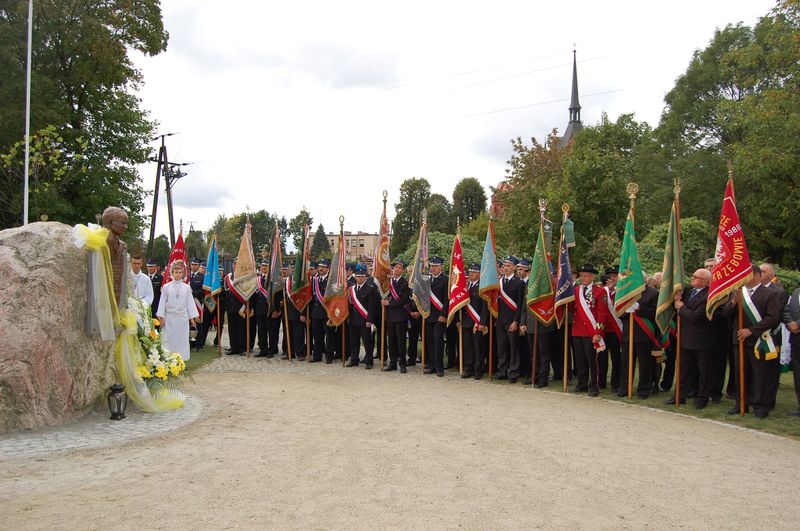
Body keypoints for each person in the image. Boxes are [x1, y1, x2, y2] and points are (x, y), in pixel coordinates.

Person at [722, 265, 783, 418]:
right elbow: (726, 314)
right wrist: (733, 302)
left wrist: (751, 330)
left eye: (746, 275)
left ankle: (761, 406)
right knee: (740, 373)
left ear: (756, 276)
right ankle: (741, 403)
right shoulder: (738, 292)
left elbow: (773, 318)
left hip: (759, 341)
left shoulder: (770, 293)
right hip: (739, 340)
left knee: (760, 375)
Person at [667, 268, 713, 408]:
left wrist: (681, 307)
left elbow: (697, 317)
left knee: (703, 371)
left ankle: (702, 398)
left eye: (696, 277)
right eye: (692, 275)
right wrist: (677, 298)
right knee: (683, 369)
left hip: (701, 340)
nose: (692, 278)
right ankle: (679, 396)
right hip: (685, 337)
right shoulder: (687, 292)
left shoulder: (709, 295)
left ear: (705, 281)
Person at [570, 264, 608, 397]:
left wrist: (598, 333)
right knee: (580, 360)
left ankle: (594, 385)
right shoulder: (576, 290)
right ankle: (582, 383)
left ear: (592, 276)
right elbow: (571, 308)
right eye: (581, 275)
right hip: (577, 330)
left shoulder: (600, 292)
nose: (582, 278)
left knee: (593, 360)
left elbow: (602, 314)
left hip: (591, 331)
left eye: (585, 276)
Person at [619, 277, 659, 399]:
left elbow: (653, 314)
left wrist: (638, 308)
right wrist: (626, 310)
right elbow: (619, 312)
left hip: (644, 335)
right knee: (626, 363)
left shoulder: (653, 293)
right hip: (628, 334)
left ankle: (643, 390)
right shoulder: (626, 293)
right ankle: (625, 388)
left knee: (645, 364)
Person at [157, 260, 199, 361]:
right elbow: (162, 303)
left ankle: (182, 359)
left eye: (180, 272)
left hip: (182, 319)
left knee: (181, 340)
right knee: (169, 340)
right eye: (176, 272)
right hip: (170, 318)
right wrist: (161, 318)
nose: (178, 274)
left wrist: (192, 319)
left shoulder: (186, 288)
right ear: (172, 273)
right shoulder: (166, 287)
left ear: (183, 273)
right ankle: (168, 358)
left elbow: (190, 303)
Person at [496, 256, 525, 382]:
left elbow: (520, 304)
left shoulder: (519, 283)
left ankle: (513, 372)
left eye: (508, 266)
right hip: (500, 319)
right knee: (501, 347)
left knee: (513, 347)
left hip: (511, 320)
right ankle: (502, 370)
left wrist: (516, 321)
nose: (506, 268)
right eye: (504, 266)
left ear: (514, 267)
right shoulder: (499, 282)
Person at [381, 260, 410, 374]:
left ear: (403, 270)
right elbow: (385, 295)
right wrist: (384, 301)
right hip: (390, 316)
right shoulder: (388, 282)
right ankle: (392, 362)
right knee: (391, 340)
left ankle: (402, 363)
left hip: (400, 316)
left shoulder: (405, 283)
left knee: (400, 341)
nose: (397, 269)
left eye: (399, 268)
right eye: (395, 267)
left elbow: (404, 299)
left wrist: (389, 303)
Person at [347, 265, 378, 368]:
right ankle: (354, 359)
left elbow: (372, 306)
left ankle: (369, 361)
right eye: (358, 276)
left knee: (367, 342)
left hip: (365, 320)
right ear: (355, 277)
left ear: (366, 277)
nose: (360, 278)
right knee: (353, 341)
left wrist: (370, 320)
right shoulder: (352, 289)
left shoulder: (370, 289)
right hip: (353, 320)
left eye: (362, 277)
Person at [461, 263, 488, 379]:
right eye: (470, 272)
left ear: (479, 274)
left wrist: (482, 322)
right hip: (466, 322)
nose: (470, 274)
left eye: (473, 272)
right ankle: (468, 368)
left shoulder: (482, 288)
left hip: (477, 322)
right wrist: (459, 320)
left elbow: (484, 307)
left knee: (478, 347)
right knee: (467, 347)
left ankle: (478, 369)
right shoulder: (465, 287)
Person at [425, 256, 448, 376]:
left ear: (441, 267)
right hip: (428, 316)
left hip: (439, 316)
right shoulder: (427, 280)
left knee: (438, 341)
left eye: (435, 266)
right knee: (429, 341)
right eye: (432, 266)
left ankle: (440, 367)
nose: (433, 268)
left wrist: (444, 315)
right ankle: (432, 365)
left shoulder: (445, 280)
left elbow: (446, 299)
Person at [782, 283, 800, 416]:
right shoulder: (796, 292)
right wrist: (790, 323)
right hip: (796, 340)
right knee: (798, 374)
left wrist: (797, 324)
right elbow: (786, 310)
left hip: (797, 329)